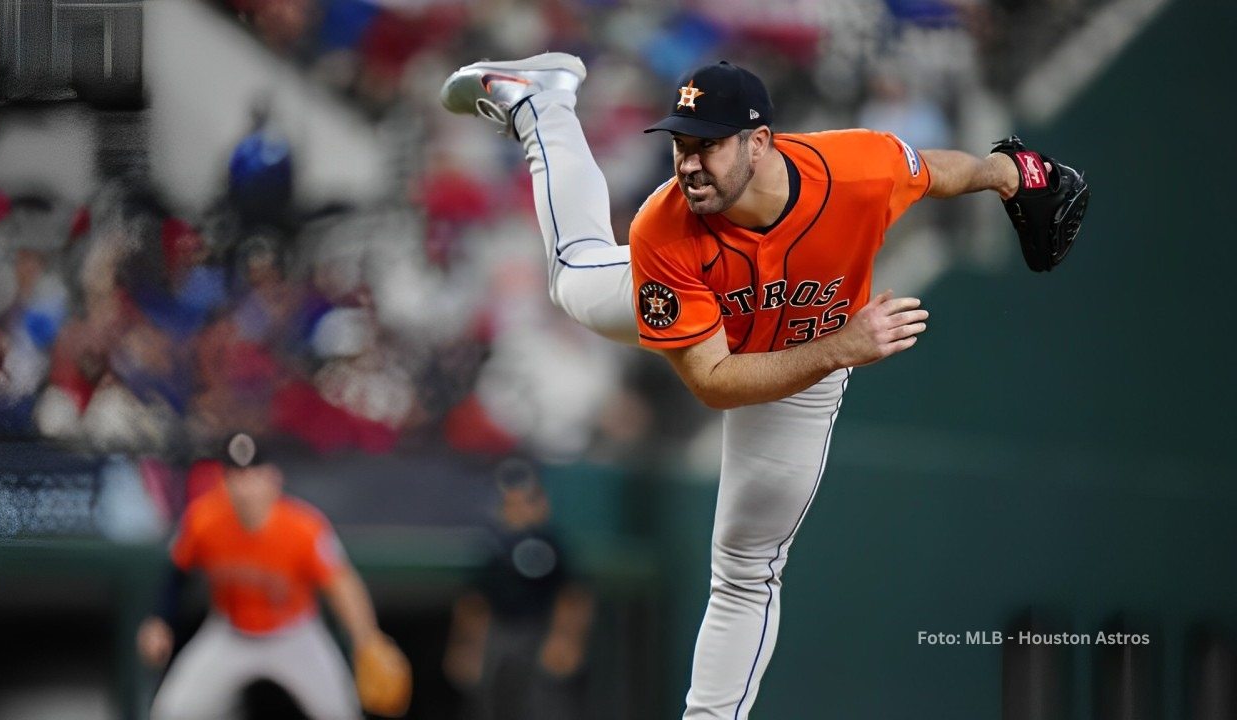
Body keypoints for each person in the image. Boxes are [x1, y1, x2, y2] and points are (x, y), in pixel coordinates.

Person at [439, 53, 1042, 718]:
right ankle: (543, 102)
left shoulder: (858, 168)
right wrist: (844, 345)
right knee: (572, 273)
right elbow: (716, 382)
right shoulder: (663, 226)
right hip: (728, 335)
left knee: (749, 568)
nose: (689, 163)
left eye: (708, 146)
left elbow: (935, 173)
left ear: (759, 143)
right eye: (680, 145)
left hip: (802, 360)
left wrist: (1008, 173)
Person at [137, 432, 401, 720]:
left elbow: (341, 583)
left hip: (294, 636)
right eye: (236, 476)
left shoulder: (303, 527)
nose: (244, 487)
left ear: (273, 479)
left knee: (340, 713)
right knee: (173, 712)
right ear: (223, 482)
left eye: (253, 476)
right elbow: (177, 571)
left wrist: (367, 637)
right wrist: (160, 619)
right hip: (230, 633)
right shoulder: (204, 519)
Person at [443, 459, 594, 720]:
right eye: (510, 502)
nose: (519, 508)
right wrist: (468, 646)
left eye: (528, 500)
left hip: (540, 629)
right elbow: (475, 602)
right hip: (499, 632)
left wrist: (565, 638)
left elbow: (573, 595)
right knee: (490, 700)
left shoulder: (551, 542)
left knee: (544, 701)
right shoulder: (492, 544)